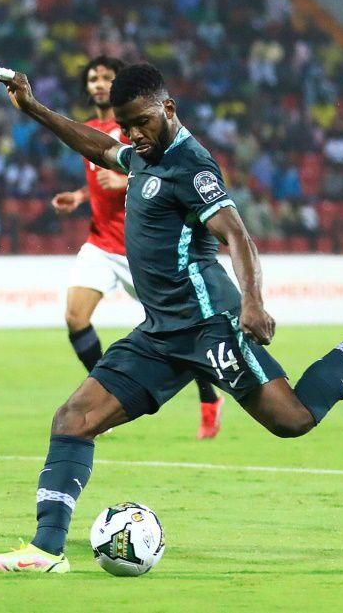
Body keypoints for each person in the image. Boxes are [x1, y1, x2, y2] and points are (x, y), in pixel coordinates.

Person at [0, 64, 343, 573]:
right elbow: (99, 147)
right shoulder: (143, 156)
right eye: (126, 124)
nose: (133, 134)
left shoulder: (192, 166)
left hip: (210, 325)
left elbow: (237, 235)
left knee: (293, 420)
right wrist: (33, 109)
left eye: (141, 121)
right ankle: (46, 551)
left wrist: (252, 301)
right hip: (160, 332)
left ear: (168, 108)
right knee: (73, 420)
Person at [52, 55, 224, 439]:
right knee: (75, 318)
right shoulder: (93, 130)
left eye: (106, 78)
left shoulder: (138, 127)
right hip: (100, 244)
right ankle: (105, 395)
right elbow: (101, 181)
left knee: (184, 333)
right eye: (93, 78)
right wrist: (82, 196)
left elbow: (161, 178)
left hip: (140, 251)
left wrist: (128, 179)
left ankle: (209, 397)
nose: (98, 84)